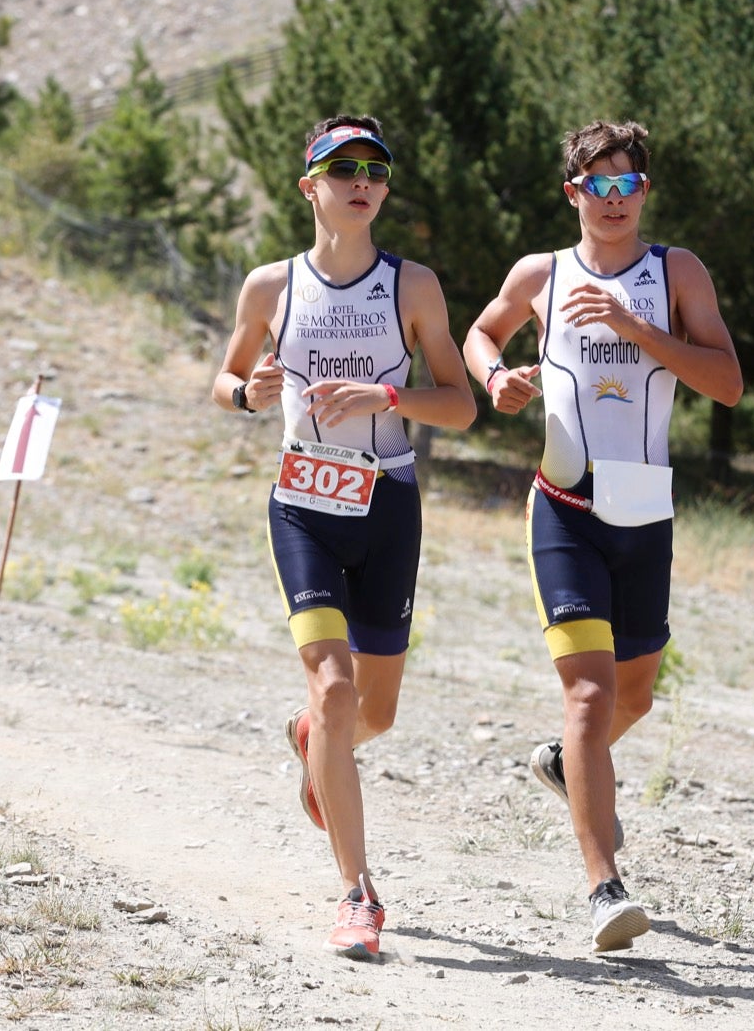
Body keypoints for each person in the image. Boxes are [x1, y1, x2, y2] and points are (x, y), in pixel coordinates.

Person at [464, 120, 742, 953]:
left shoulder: (676, 273)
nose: (612, 200)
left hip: (645, 509)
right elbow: (482, 334)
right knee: (588, 695)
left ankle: (564, 764)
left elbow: (725, 383)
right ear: (573, 194)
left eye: (627, 186)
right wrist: (496, 378)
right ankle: (602, 887)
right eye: (597, 186)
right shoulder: (540, 274)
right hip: (564, 505)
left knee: (635, 696)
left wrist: (638, 330)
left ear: (643, 193)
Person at [212, 114, 476, 960]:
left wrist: (389, 400)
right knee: (333, 689)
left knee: (376, 712)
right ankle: (358, 896)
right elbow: (224, 380)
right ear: (310, 187)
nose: (363, 180)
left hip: (387, 503)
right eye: (344, 167)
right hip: (302, 504)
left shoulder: (414, 287)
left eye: (377, 168)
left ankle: (314, 743)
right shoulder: (270, 286)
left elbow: (462, 405)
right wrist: (246, 395)